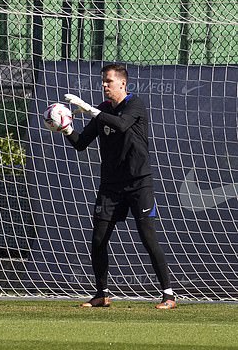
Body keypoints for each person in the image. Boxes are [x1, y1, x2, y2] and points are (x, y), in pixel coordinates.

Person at [59, 63, 176, 310]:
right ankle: (102, 294)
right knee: (99, 238)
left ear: (122, 83)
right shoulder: (102, 110)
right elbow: (81, 143)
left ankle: (168, 295)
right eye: (103, 81)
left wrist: (90, 109)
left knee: (147, 236)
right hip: (111, 185)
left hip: (138, 183)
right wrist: (65, 128)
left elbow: (121, 125)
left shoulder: (135, 105)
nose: (104, 85)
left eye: (109, 81)